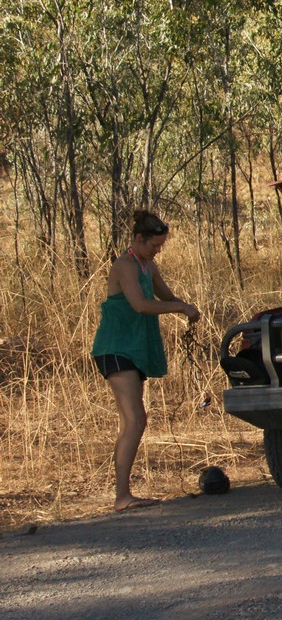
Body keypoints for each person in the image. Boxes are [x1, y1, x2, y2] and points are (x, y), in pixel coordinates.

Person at [90, 211, 200, 512]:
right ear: (139, 239)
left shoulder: (148, 266)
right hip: (116, 347)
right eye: (153, 246)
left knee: (134, 420)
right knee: (135, 419)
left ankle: (124, 494)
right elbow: (140, 305)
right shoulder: (124, 265)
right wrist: (179, 308)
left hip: (134, 348)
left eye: (160, 246)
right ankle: (122, 496)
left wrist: (186, 307)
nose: (157, 251)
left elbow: (166, 296)